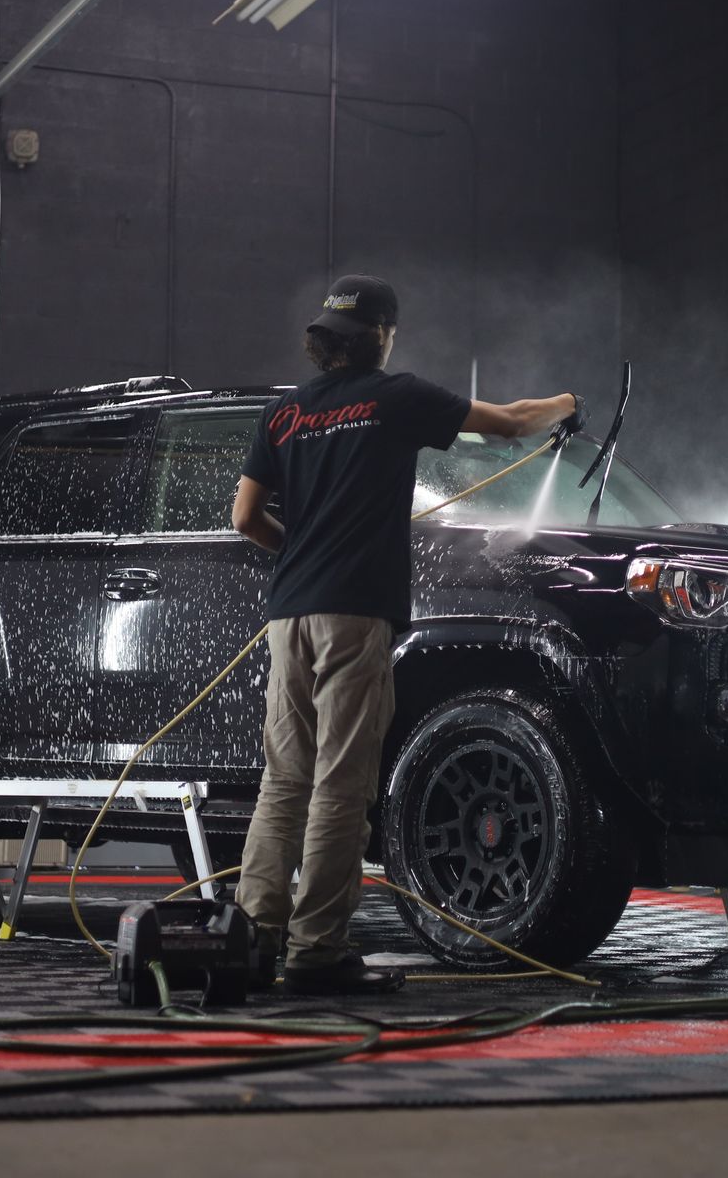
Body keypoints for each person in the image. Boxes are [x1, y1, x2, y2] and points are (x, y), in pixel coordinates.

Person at [230, 274, 585, 995]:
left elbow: (244, 518)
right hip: (354, 615)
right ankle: (317, 953)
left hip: (287, 617)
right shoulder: (395, 398)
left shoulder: (282, 413)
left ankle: (252, 940)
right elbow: (510, 422)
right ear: (383, 335)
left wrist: (301, 555)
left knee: (284, 782)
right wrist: (568, 404)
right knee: (341, 786)